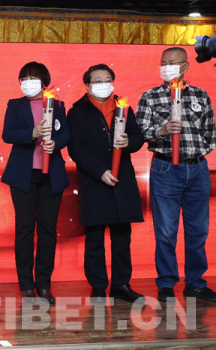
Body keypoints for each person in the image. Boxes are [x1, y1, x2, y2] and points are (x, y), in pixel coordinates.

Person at [136, 47, 216, 302]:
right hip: (165, 169)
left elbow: (210, 132)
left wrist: (196, 154)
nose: (167, 67)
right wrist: (161, 131)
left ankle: (196, 283)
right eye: (164, 62)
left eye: (173, 62)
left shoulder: (201, 95)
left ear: (186, 66)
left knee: (198, 230)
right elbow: (139, 132)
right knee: (166, 231)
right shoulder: (150, 96)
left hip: (197, 169)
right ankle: (166, 283)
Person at [67, 64, 145, 303]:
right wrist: (99, 171)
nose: (104, 84)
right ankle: (98, 286)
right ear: (88, 86)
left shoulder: (124, 106)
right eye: (98, 80)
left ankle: (121, 285)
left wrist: (128, 142)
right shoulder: (77, 112)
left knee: (122, 237)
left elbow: (138, 137)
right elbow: (75, 148)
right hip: (94, 180)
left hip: (122, 180)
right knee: (95, 238)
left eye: (107, 79)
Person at [1, 61, 70, 304]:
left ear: (44, 82)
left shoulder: (57, 105)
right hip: (24, 175)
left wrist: (56, 143)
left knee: (48, 230)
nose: (28, 83)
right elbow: (7, 134)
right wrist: (32, 134)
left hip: (51, 175)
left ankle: (43, 284)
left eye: (33, 78)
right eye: (24, 79)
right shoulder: (15, 105)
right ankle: (26, 285)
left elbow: (66, 134)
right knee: (25, 229)